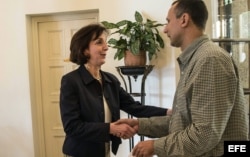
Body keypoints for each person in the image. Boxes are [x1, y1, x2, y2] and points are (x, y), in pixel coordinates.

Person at [117, 0, 249, 156]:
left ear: (184, 19)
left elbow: (204, 134)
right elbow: (182, 121)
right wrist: (140, 125)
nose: (165, 29)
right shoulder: (197, 59)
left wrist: (156, 146)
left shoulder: (210, 59)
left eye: (168, 21)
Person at [59, 23, 172, 157]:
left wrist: (168, 112)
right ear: (85, 50)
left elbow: (135, 107)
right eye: (99, 42)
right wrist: (111, 128)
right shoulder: (70, 81)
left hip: (104, 151)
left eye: (105, 42)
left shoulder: (111, 80)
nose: (106, 47)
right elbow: (72, 127)